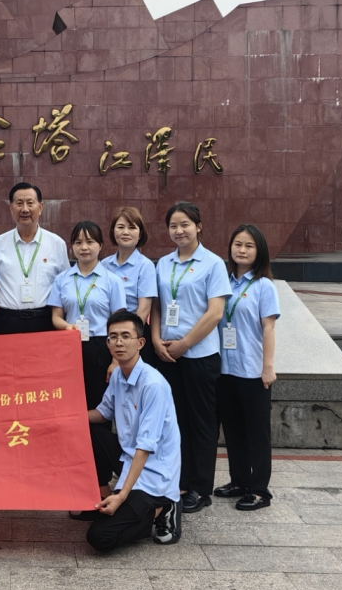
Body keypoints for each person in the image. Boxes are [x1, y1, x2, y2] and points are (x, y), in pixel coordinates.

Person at [151, 202, 232, 514]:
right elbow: (157, 306)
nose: (179, 231)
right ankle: (180, 482)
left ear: (199, 226)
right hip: (168, 355)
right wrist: (156, 340)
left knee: (202, 422)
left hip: (199, 355)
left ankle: (200, 487)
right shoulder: (163, 263)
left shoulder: (213, 264)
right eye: (173, 225)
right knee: (176, 420)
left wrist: (184, 344)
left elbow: (215, 313)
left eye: (185, 224)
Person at [84, 310, 182, 552]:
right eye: (113, 337)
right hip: (127, 458)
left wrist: (122, 495)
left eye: (126, 336)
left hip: (153, 472)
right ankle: (102, 493)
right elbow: (103, 413)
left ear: (140, 342)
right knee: (87, 430)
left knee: (99, 537)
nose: (119, 342)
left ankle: (164, 506)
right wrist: (68, 417)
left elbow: (145, 447)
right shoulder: (118, 374)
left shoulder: (153, 384)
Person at [214, 224, 280, 511]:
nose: (242, 250)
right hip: (224, 370)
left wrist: (268, 367)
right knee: (233, 430)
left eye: (249, 246)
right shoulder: (222, 283)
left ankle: (259, 490)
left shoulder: (264, 286)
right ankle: (239, 481)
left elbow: (269, 329)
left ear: (259, 251)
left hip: (252, 370)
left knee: (257, 433)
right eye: (237, 244)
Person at [48, 222, 127, 449]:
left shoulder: (111, 280)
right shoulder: (62, 279)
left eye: (90, 242)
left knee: (100, 407)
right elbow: (56, 316)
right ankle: (73, 455)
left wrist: (115, 361)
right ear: (71, 247)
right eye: (78, 242)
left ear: (100, 245)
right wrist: (67, 327)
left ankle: (99, 462)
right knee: (71, 404)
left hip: (101, 349)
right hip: (70, 347)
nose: (84, 247)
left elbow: (119, 324)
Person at [0, 182, 69, 334]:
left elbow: (65, 288)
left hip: (44, 321)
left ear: (41, 207)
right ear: (11, 208)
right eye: (19, 203)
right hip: (7, 322)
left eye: (30, 203)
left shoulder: (57, 244)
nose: (25, 209)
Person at [101, 205, 159, 363]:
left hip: (133, 337)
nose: (125, 232)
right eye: (120, 227)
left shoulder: (145, 266)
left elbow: (143, 309)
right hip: (106, 335)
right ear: (113, 231)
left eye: (132, 227)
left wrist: (125, 338)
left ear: (140, 233)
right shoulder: (104, 265)